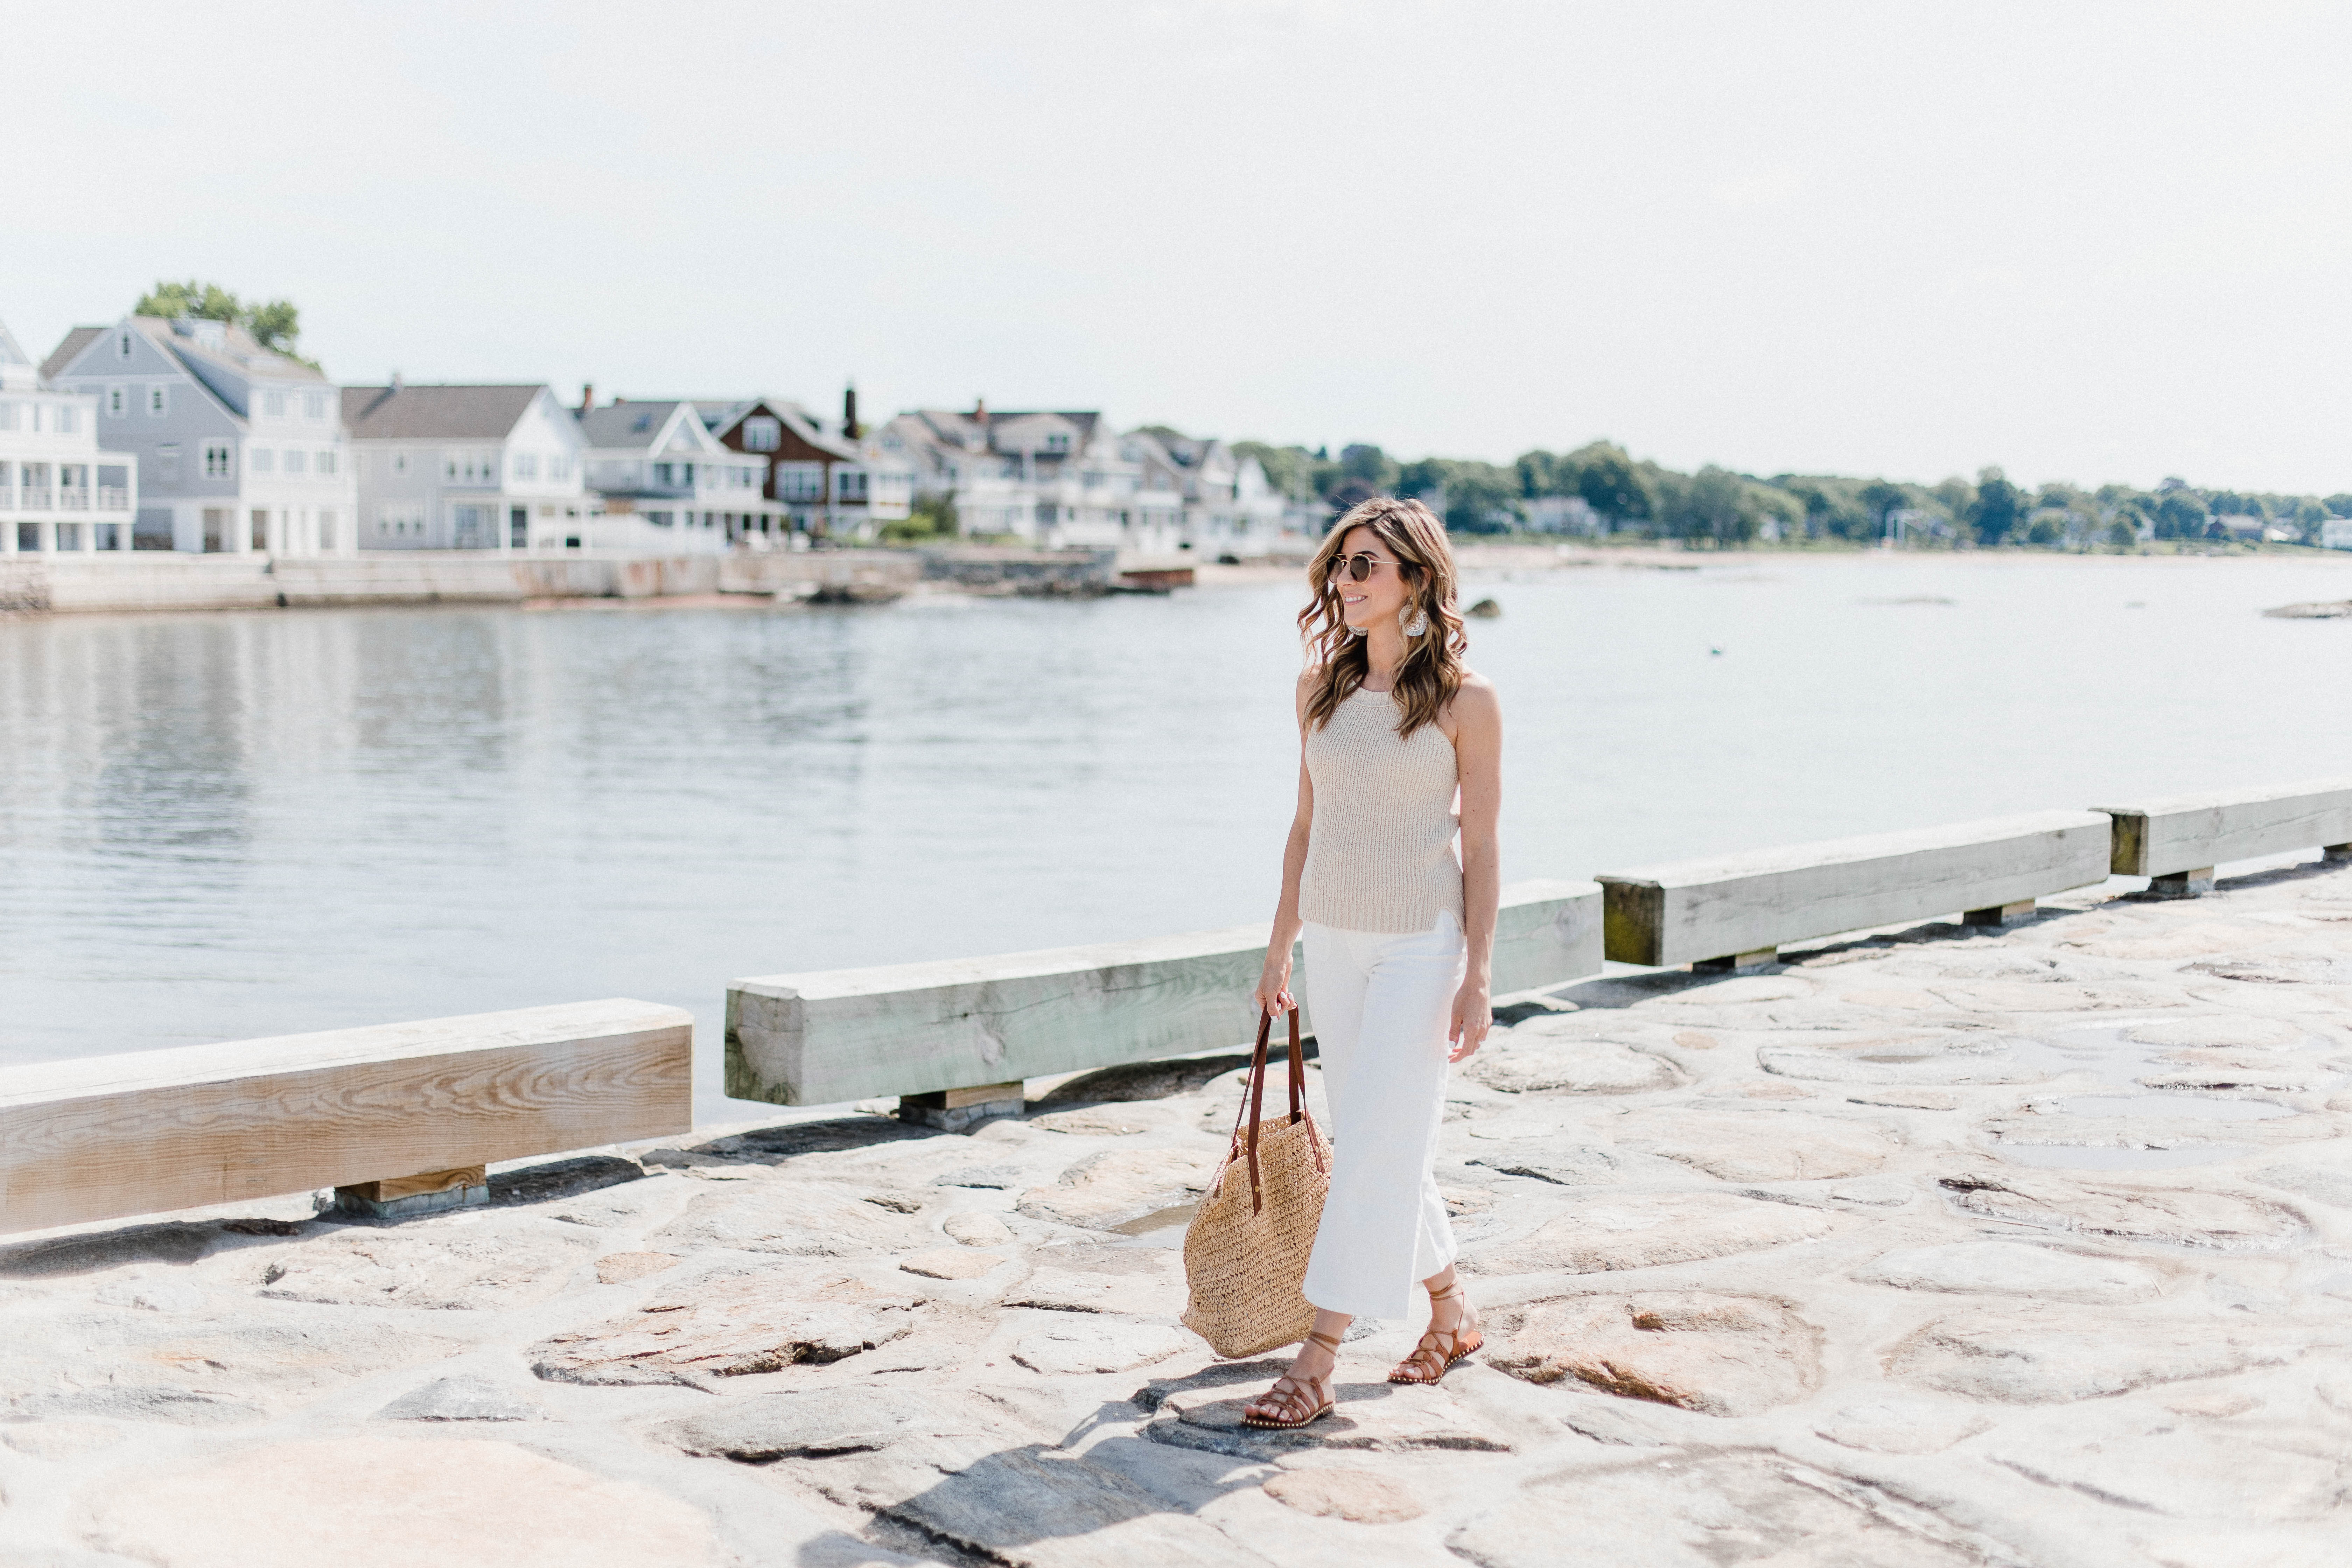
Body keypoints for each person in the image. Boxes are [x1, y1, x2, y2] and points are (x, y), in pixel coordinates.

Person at [1241, 496, 1502, 1430]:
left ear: (1417, 580)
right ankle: (1451, 1307)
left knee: (1377, 1148)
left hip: (1421, 949)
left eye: (1367, 567)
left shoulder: (1468, 702)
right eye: (1341, 565)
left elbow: (1483, 846)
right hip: (1335, 943)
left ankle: (1318, 1355)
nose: (1345, 582)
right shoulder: (1317, 689)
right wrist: (1281, 942)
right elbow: (1304, 826)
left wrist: (1477, 974)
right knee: (1379, 1141)